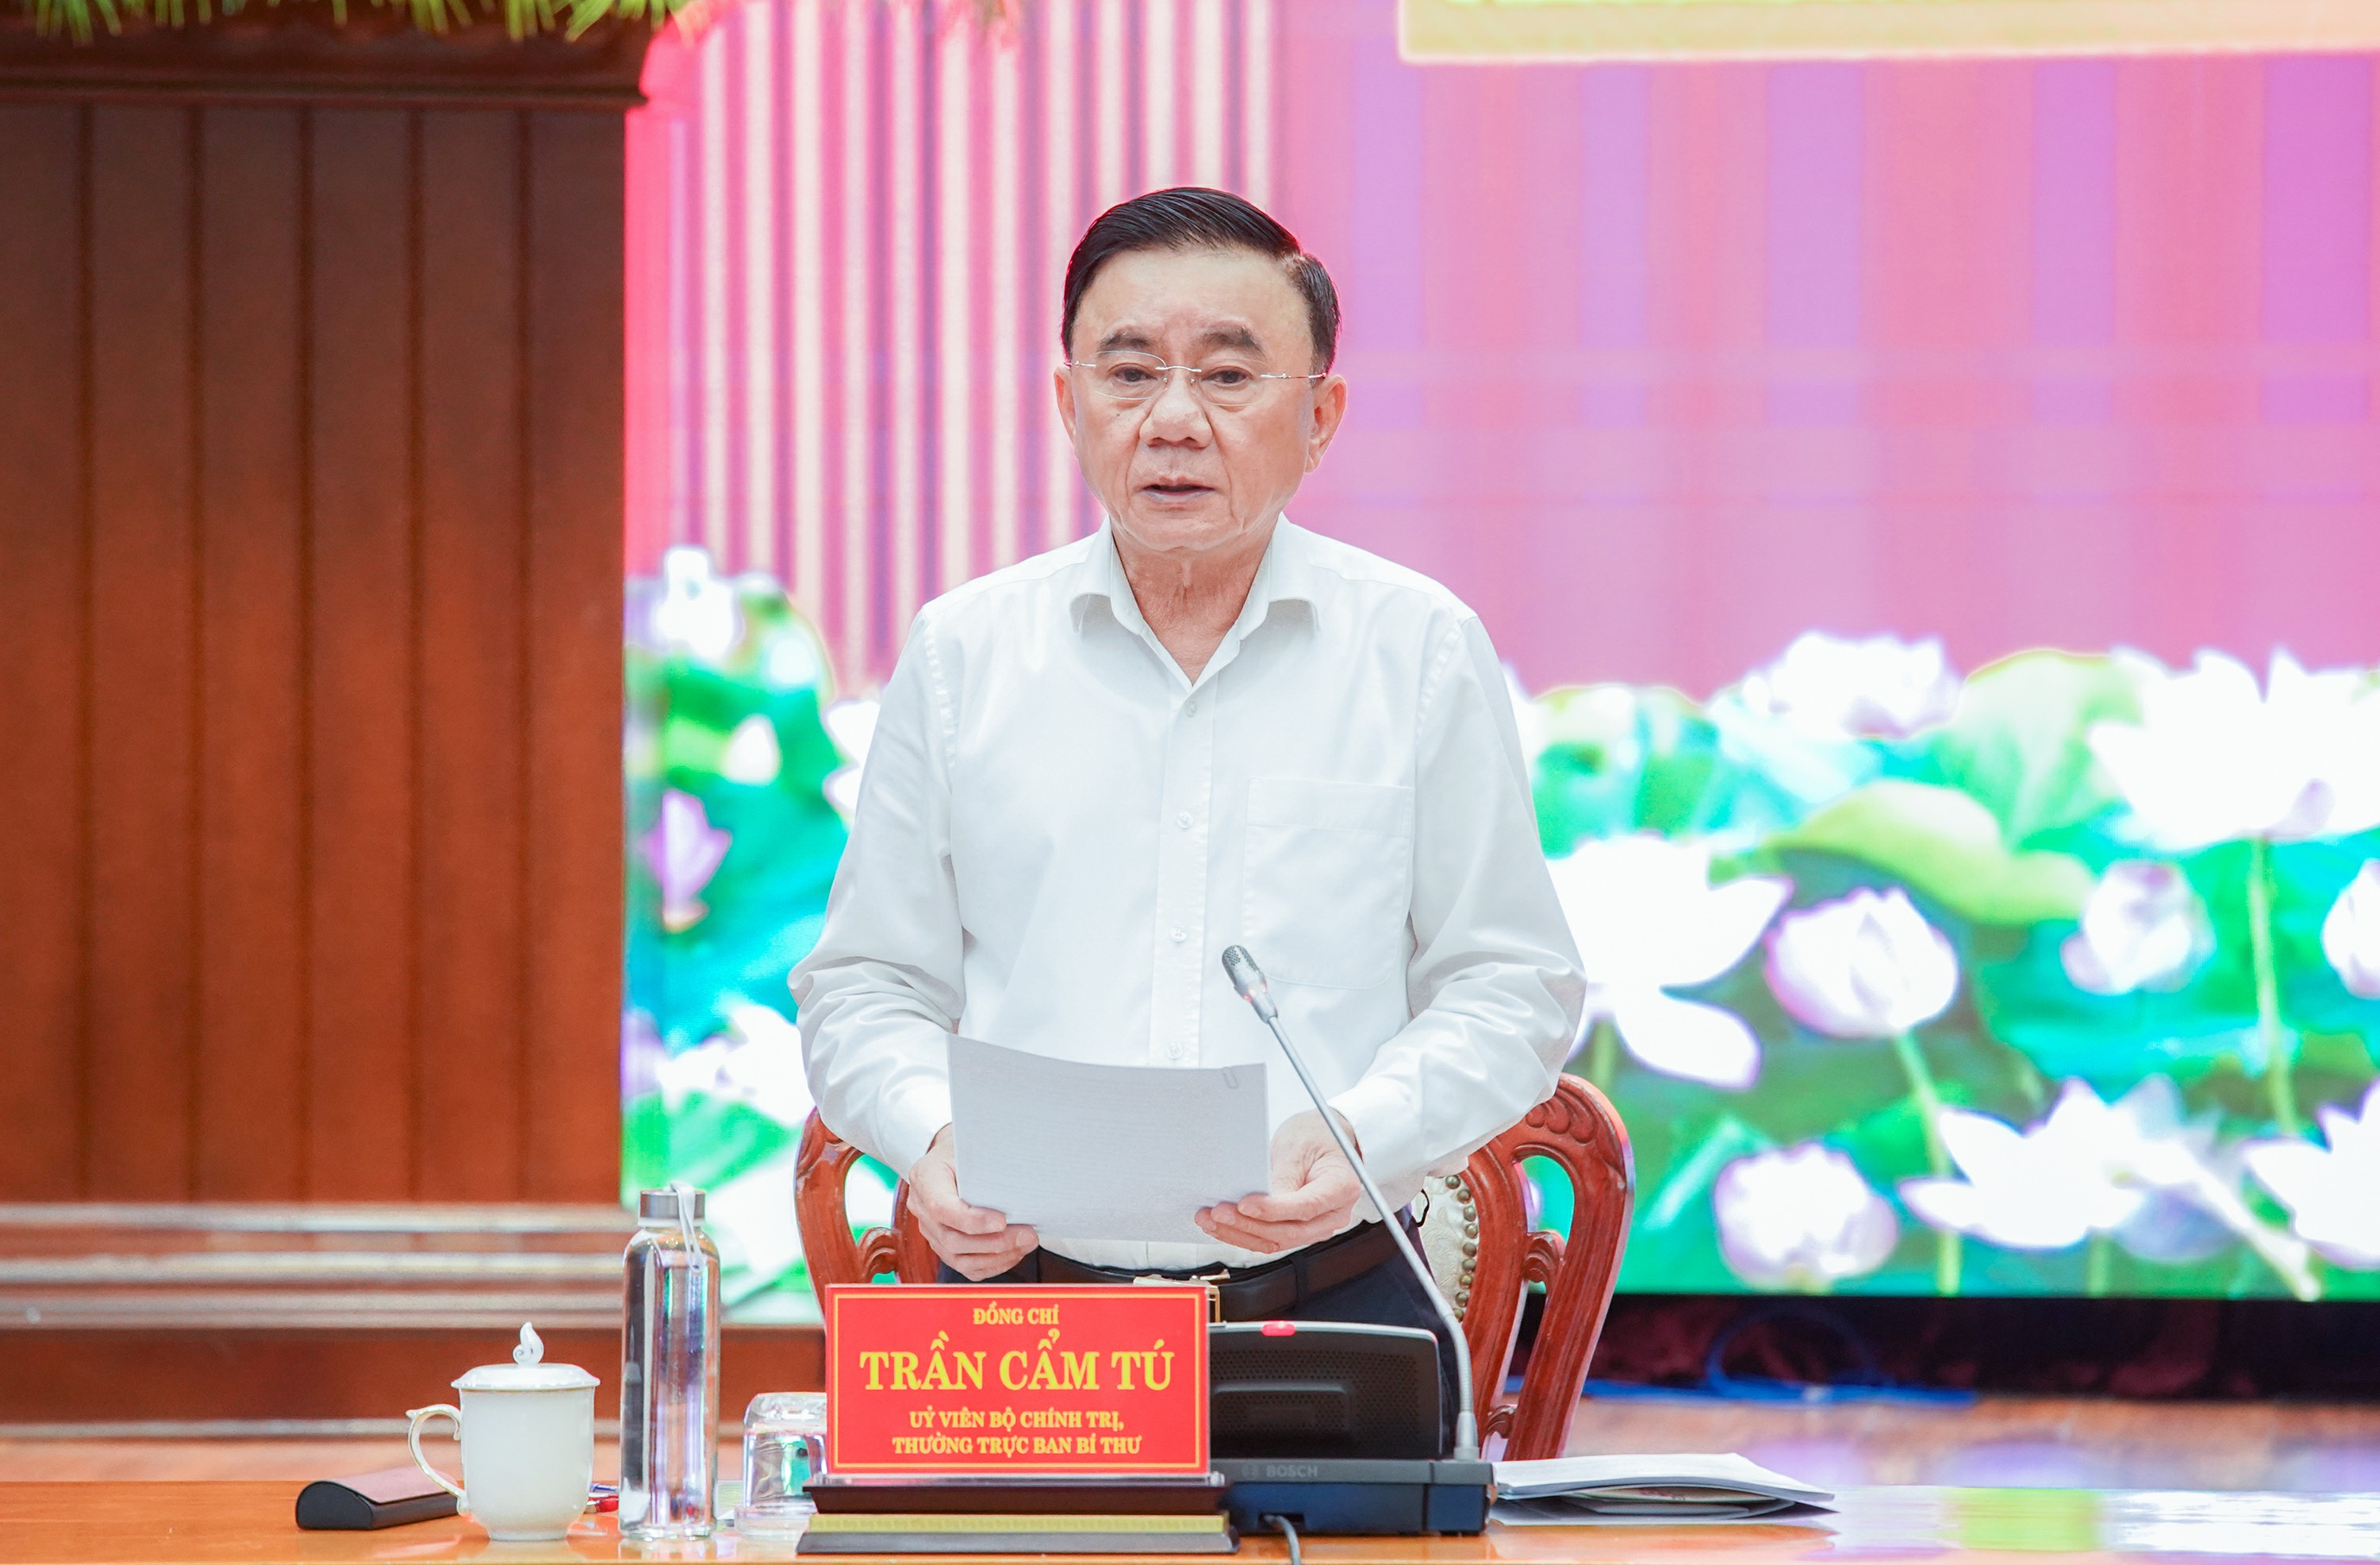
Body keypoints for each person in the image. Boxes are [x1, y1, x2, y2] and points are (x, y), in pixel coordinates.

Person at [792, 187, 1585, 1438]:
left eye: (1227, 375)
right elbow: (864, 985)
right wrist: (934, 1134)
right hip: (1024, 1334)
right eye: (1129, 373)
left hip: (1329, 1309)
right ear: (1069, 405)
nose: (1171, 420)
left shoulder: (1418, 650)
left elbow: (1513, 982)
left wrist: (1363, 1136)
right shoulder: (965, 655)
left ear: (1320, 416)